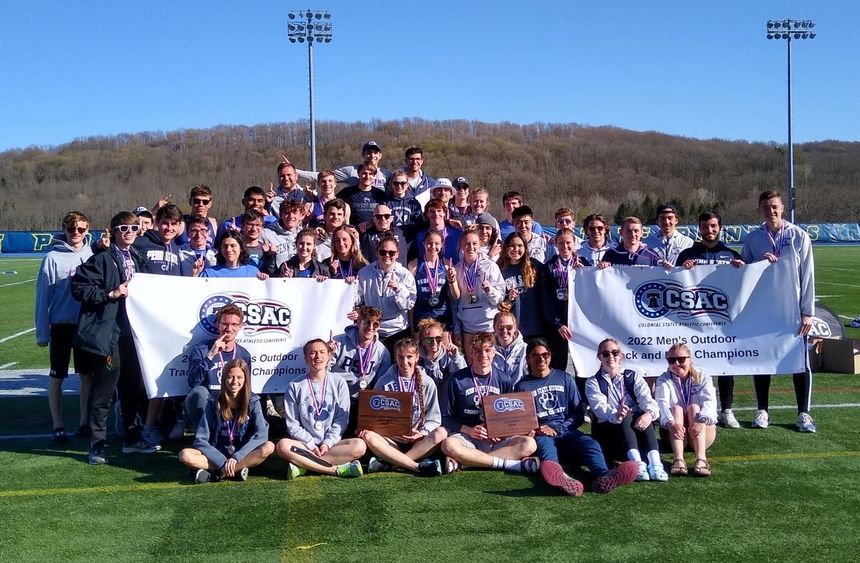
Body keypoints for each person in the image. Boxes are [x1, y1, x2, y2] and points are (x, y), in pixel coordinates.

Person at [71, 212, 147, 464]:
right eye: (123, 227)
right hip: (110, 333)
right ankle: (97, 444)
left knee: (132, 389)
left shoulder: (138, 257)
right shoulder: (102, 258)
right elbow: (79, 287)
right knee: (103, 390)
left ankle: (131, 437)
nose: (128, 231)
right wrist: (110, 293)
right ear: (113, 231)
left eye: (133, 227)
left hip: (134, 335)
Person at [516, 339, 639, 495]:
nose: (541, 358)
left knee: (590, 444)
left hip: (566, 431)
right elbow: (522, 420)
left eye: (545, 354)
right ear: (528, 358)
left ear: (550, 356)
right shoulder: (522, 386)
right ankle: (562, 479)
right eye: (535, 355)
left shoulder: (565, 378)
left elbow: (578, 414)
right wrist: (535, 430)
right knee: (547, 449)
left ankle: (604, 476)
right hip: (542, 435)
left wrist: (557, 427)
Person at [741, 189, 816, 433]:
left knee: (799, 361)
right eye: (765, 207)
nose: (770, 211)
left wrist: (807, 311)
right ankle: (762, 409)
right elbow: (743, 274)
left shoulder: (799, 236)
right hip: (763, 311)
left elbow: (808, 276)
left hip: (793, 311)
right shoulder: (753, 239)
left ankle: (803, 412)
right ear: (759, 210)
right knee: (763, 361)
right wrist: (756, 263)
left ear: (782, 207)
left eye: (774, 206)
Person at [676, 211, 744, 429]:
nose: (709, 230)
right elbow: (674, 282)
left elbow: (745, 285)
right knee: (694, 365)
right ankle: (693, 406)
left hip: (721, 320)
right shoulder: (687, 254)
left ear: (720, 227)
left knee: (725, 362)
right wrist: (681, 269)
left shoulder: (731, 254)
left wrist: (741, 269)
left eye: (713, 226)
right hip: (694, 320)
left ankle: (726, 409)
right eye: (705, 226)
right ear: (699, 227)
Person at [439, 333, 539, 474]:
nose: (483, 355)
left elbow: (511, 415)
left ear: (494, 352)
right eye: (478, 351)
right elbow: (444, 417)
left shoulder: (504, 379)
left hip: (496, 439)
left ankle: (467, 463)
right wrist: (469, 430)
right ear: (472, 352)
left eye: (487, 350)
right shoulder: (456, 380)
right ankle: (510, 465)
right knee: (448, 445)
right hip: (468, 437)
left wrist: (503, 431)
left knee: (529, 444)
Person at [35, 211, 94, 442]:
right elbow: (43, 297)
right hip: (61, 325)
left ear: (87, 229)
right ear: (64, 229)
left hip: (86, 325)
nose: (76, 233)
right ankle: (57, 424)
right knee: (57, 376)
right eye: (71, 229)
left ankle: (84, 422)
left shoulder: (93, 253)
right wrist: (42, 331)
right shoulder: (52, 258)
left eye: (80, 229)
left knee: (86, 375)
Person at [276, 339, 365, 478]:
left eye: (322, 352)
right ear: (306, 358)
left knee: (360, 446)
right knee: (282, 446)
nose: (318, 356)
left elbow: (341, 420)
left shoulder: (339, 382)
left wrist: (327, 444)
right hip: (305, 446)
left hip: (332, 445)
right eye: (312, 353)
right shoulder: (294, 386)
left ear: (329, 355)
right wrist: (311, 445)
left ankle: (304, 466)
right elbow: (293, 425)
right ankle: (334, 469)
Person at [360, 338, 448, 476]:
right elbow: (374, 416)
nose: (404, 362)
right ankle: (416, 466)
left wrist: (422, 433)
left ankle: (391, 464)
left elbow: (435, 418)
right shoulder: (384, 381)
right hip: (391, 440)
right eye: (400, 357)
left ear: (417, 357)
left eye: (409, 357)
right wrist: (390, 432)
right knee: (368, 436)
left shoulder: (428, 383)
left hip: (417, 441)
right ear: (395, 357)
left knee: (441, 433)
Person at [179, 359, 274, 483]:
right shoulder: (212, 402)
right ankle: (234, 471)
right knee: (185, 455)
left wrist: (237, 457)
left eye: (239, 377)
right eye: (230, 377)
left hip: (243, 453)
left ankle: (218, 474)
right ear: (223, 379)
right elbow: (200, 440)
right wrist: (222, 462)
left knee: (269, 447)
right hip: (217, 454)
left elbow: (261, 435)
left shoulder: (253, 401)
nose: (234, 382)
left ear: (246, 379)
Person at [585, 339, 667, 482]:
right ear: (599, 357)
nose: (611, 356)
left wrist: (649, 414)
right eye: (605, 353)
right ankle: (637, 465)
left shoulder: (632, 377)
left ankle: (655, 464)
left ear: (621, 355)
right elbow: (599, 409)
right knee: (625, 415)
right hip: (609, 433)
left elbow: (648, 401)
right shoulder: (593, 382)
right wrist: (616, 414)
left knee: (644, 415)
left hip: (636, 430)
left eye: (615, 352)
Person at [185, 304, 253, 432]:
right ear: (217, 324)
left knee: (252, 397)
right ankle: (204, 434)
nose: (229, 329)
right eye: (224, 324)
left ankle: (236, 433)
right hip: (208, 404)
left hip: (230, 404)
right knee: (199, 392)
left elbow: (246, 387)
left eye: (234, 324)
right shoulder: (202, 349)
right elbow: (193, 383)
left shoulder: (244, 355)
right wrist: (211, 355)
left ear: (240, 326)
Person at [655, 344, 717, 477]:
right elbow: (662, 404)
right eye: (671, 360)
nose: (676, 363)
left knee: (694, 408)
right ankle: (678, 459)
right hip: (675, 433)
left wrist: (702, 421)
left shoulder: (703, 376)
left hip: (701, 432)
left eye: (681, 359)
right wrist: (671, 423)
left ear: (690, 360)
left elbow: (709, 401)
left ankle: (701, 459)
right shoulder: (663, 378)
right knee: (676, 409)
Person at [329, 306, 392, 423]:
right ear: (359, 322)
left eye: (375, 324)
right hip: (335, 397)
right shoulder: (339, 342)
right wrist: (327, 355)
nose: (370, 328)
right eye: (367, 323)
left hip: (361, 401)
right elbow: (324, 372)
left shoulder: (382, 352)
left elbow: (381, 384)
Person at [452, 229, 505, 364]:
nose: (471, 247)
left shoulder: (490, 266)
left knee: (490, 363)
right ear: (461, 246)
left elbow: (500, 298)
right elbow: (455, 301)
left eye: (474, 243)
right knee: (471, 364)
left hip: (488, 324)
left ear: (480, 244)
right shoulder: (457, 268)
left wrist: (489, 289)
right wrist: (457, 329)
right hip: (468, 326)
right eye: (467, 244)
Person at [354, 235, 417, 351]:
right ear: (377, 252)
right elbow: (358, 299)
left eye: (391, 253)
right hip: (372, 329)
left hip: (398, 330)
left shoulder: (405, 275)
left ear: (397, 254)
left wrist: (399, 289)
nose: (387, 256)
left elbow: (409, 304)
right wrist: (350, 285)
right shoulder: (364, 273)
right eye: (383, 252)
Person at [544, 228, 591, 372]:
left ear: (574, 243)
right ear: (556, 245)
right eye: (561, 243)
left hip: (580, 324)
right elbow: (545, 300)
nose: (565, 246)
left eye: (568, 242)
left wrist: (585, 274)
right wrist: (557, 324)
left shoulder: (584, 264)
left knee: (582, 367)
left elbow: (594, 293)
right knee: (558, 365)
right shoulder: (549, 267)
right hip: (558, 327)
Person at [497, 232, 549, 340]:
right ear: (506, 248)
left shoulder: (534, 266)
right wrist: (509, 298)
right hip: (511, 329)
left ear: (525, 248)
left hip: (535, 326)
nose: (516, 249)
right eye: (512, 246)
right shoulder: (499, 268)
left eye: (520, 246)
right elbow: (496, 299)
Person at [409, 230, 459, 332]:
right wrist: (412, 327)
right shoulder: (414, 265)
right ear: (424, 244)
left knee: (443, 347)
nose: (433, 247)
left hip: (443, 317)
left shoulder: (446, 265)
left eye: (436, 244)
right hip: (422, 318)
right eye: (429, 243)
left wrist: (451, 280)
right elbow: (410, 299)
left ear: (441, 245)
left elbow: (456, 296)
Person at [295, 140, 391, 190]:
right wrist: (295, 171)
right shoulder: (351, 171)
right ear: (363, 154)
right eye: (369, 152)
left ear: (380, 155)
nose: (372, 155)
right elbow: (321, 176)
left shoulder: (387, 174)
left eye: (375, 152)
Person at [195, 230, 269, 279]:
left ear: (241, 248)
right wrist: (195, 276)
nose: (228, 249)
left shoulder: (253, 272)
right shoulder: (209, 274)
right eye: (225, 246)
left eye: (233, 246)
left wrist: (265, 280)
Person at [416, 318, 466, 386]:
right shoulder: (416, 358)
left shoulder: (450, 355)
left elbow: (462, 379)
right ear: (422, 341)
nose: (434, 342)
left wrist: (455, 358)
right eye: (429, 339)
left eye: (438, 338)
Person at [260, 199, 304, 274]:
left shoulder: (304, 235)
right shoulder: (266, 234)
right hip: (276, 278)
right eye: (287, 213)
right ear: (281, 215)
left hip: (299, 278)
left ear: (301, 216)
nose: (291, 216)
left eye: (294, 212)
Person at [337, 163, 387, 227]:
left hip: (374, 231)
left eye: (370, 174)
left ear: (374, 176)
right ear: (358, 174)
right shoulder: (347, 192)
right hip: (353, 231)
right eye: (364, 173)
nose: (367, 176)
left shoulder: (380, 194)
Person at [414, 198, 462, 264]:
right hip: (429, 272)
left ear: (444, 213)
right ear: (427, 214)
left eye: (439, 211)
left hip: (452, 270)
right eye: (432, 211)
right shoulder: (421, 236)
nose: (436, 214)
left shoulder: (456, 233)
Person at [491, 304, 527, 385]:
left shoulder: (525, 349)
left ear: (515, 328)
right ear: (494, 328)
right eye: (500, 327)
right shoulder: (488, 349)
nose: (504, 331)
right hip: (496, 394)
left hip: (519, 393)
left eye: (509, 327)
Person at [383, 170, 423, 241]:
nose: (399, 186)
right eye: (396, 183)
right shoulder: (385, 202)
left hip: (409, 240)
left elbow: (418, 223)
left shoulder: (413, 202)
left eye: (403, 183)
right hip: (390, 239)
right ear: (391, 184)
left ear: (407, 184)